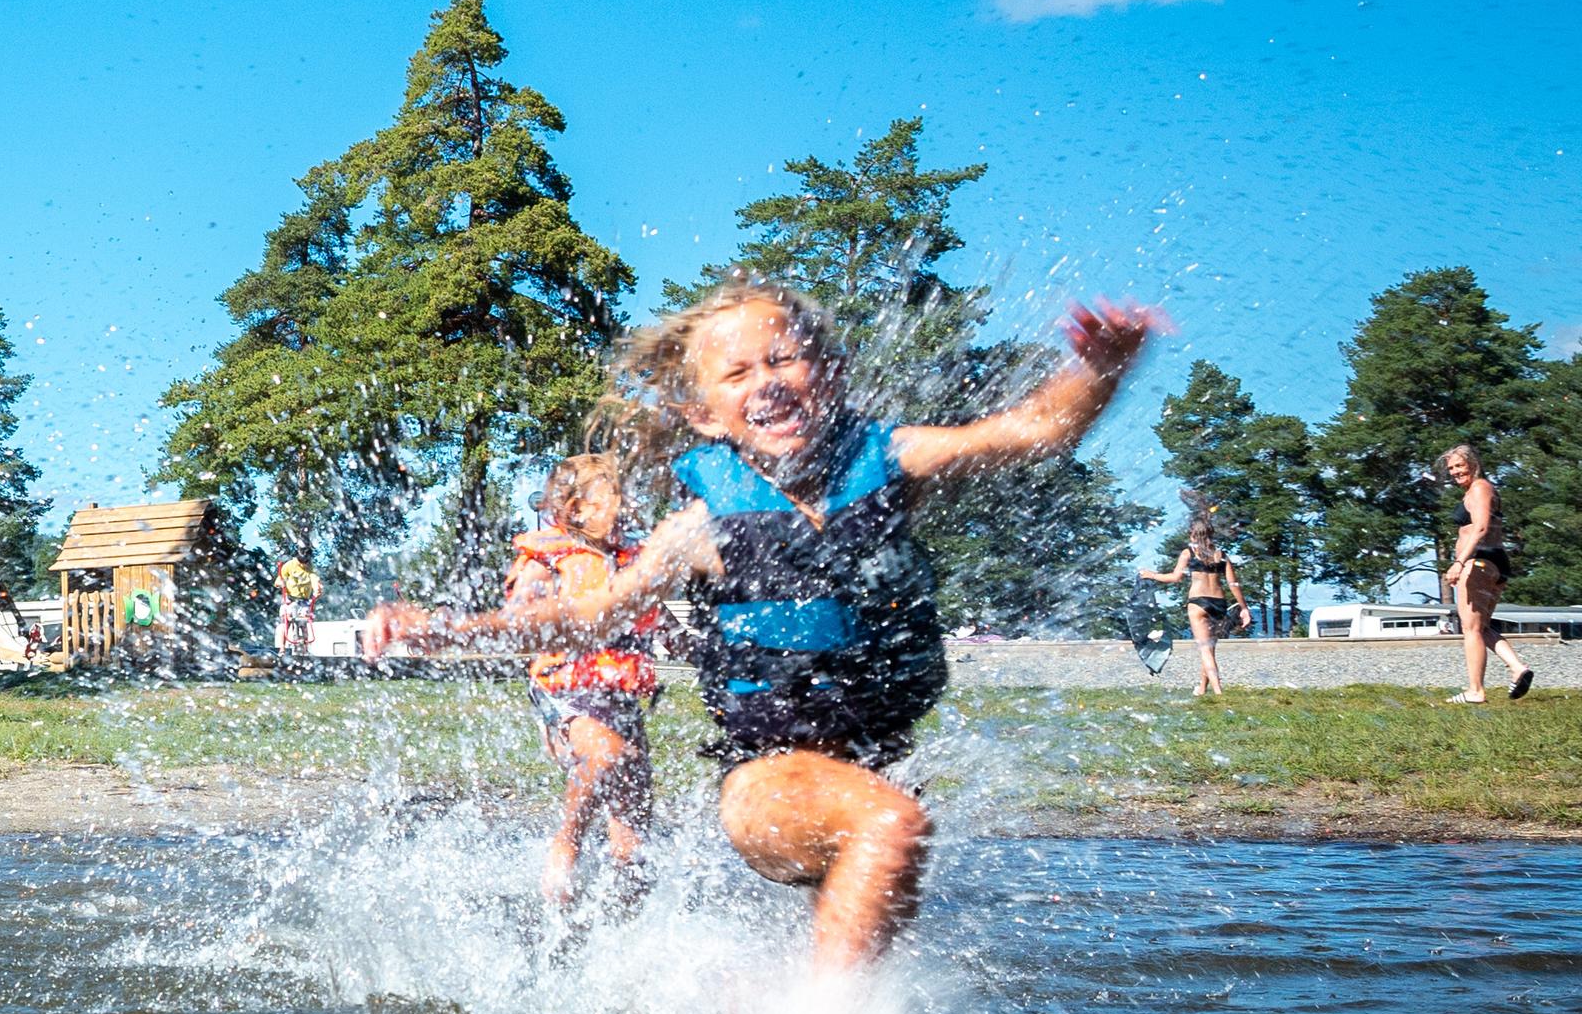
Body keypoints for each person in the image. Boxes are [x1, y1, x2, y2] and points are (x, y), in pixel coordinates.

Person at [372, 276, 1163, 976]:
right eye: (738, 372)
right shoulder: (703, 527)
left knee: (884, 852)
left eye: (784, 359)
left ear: (832, 374)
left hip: (874, 766)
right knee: (891, 827)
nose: (768, 381)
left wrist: (1098, 369)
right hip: (765, 780)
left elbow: (1034, 429)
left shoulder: (893, 461)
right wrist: (440, 629)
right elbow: (586, 616)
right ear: (704, 414)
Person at [504, 454, 660, 914]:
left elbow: (656, 618)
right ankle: (567, 841)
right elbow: (518, 615)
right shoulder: (549, 556)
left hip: (617, 693)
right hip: (566, 691)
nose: (629, 506)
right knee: (605, 753)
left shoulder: (629, 557)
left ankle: (620, 917)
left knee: (633, 830)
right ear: (575, 509)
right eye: (616, 498)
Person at [1440, 443, 1536, 703]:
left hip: (1480, 561)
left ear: (1473, 464)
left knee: (1470, 628)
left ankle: (1476, 691)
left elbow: (1481, 528)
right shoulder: (1476, 490)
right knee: (1480, 627)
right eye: (1451, 468)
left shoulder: (1480, 488)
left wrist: (1459, 562)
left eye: (1460, 465)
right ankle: (1517, 668)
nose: (1455, 472)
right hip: (1492, 561)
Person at [1137, 515, 1250, 697]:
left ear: (1192, 534)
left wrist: (1152, 575)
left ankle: (1219, 693)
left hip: (1198, 603)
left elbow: (1175, 578)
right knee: (1209, 649)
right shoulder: (1221, 555)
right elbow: (1233, 584)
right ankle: (1202, 689)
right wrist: (1244, 608)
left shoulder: (1188, 553)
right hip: (1219, 603)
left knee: (1205, 650)